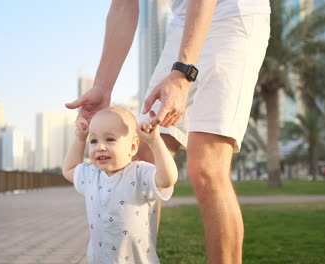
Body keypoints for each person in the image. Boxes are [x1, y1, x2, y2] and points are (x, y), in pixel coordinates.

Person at [65, 1, 271, 263]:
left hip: (233, 15)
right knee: (139, 159)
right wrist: (102, 87)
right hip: (182, 24)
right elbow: (123, 7)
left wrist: (183, 72)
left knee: (206, 167)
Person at [62, 106, 178, 263]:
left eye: (110, 139)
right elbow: (69, 169)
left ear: (133, 147)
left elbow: (167, 179)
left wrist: (155, 142)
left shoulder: (139, 173)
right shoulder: (91, 174)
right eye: (94, 141)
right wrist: (80, 139)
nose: (100, 147)